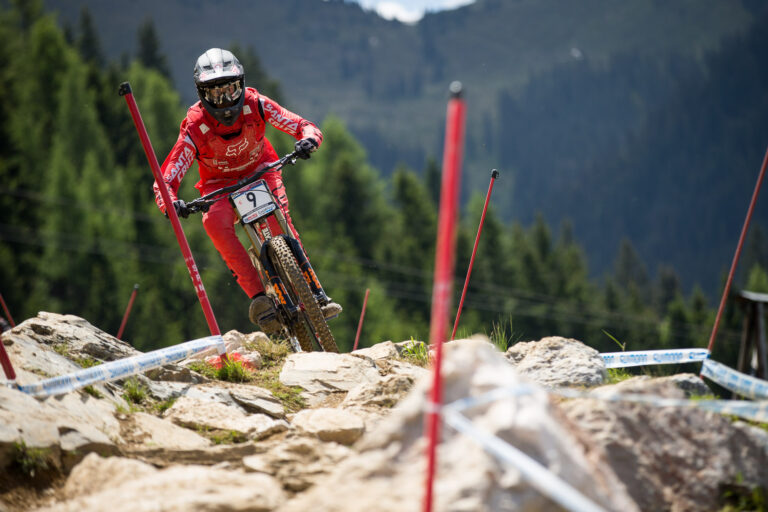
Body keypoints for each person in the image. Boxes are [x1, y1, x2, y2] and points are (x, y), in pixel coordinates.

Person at [153, 48, 341, 333]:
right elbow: (166, 179)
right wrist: (170, 203)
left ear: (241, 85)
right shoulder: (194, 126)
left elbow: (302, 125)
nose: (225, 100)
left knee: (280, 219)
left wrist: (309, 139)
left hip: (262, 170)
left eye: (230, 90)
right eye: (215, 94)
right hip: (219, 186)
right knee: (214, 223)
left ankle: (314, 292)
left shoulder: (257, 104)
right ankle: (259, 298)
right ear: (202, 94)